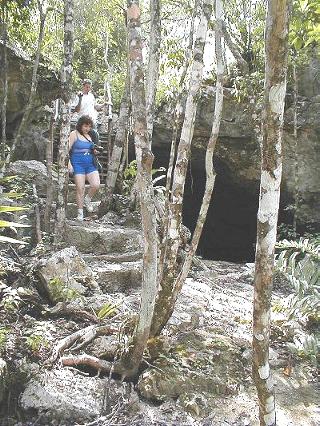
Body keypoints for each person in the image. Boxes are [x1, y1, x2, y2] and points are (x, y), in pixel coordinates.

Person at [68, 115, 100, 221]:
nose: (88, 129)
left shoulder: (92, 135)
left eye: (89, 126)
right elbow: (66, 150)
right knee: (80, 188)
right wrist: (69, 164)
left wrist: (95, 151)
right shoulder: (74, 134)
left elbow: (93, 149)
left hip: (90, 164)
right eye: (86, 126)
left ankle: (88, 199)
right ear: (80, 125)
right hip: (77, 164)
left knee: (95, 185)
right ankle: (80, 213)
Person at [73, 79, 105, 144]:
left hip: (92, 120)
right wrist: (80, 99)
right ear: (83, 86)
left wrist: (104, 104)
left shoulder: (91, 96)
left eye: (89, 87)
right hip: (83, 120)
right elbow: (77, 110)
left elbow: (95, 107)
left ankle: (94, 149)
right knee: (90, 136)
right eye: (87, 87)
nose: (88, 88)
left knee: (94, 136)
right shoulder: (78, 96)